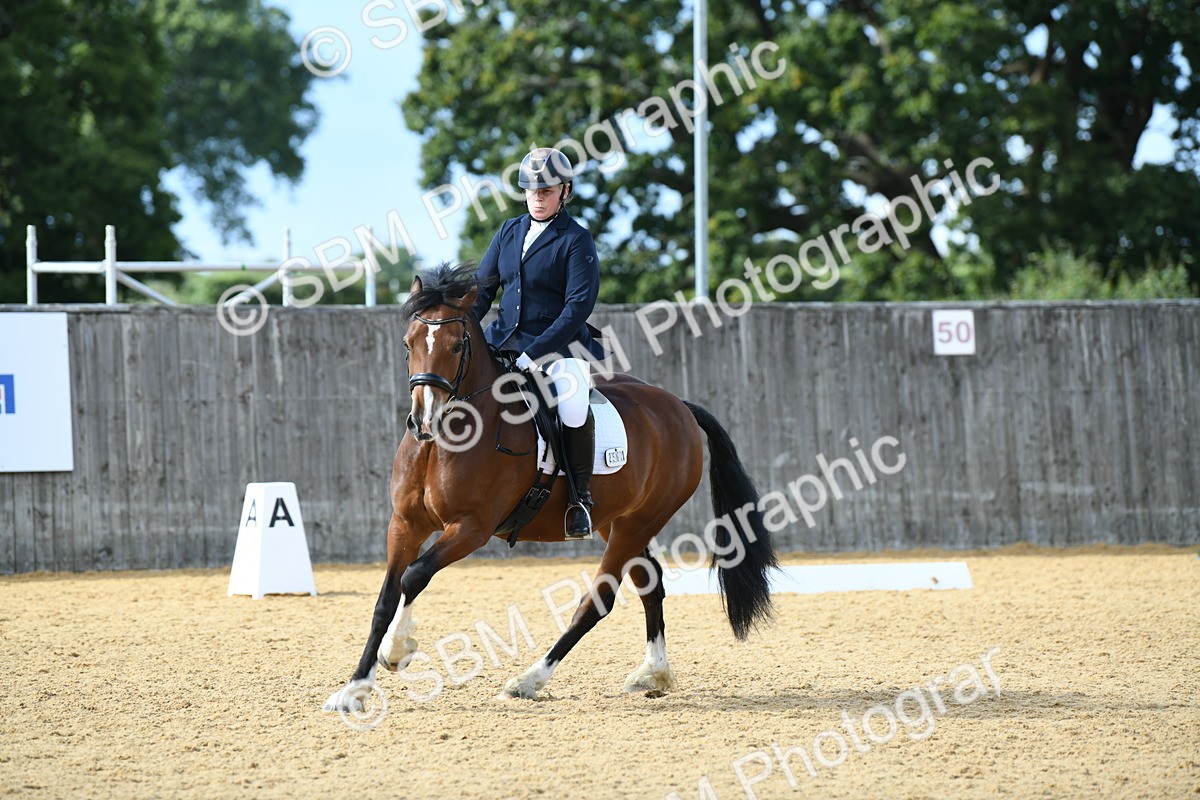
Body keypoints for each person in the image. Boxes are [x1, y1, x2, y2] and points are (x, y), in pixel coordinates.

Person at [470, 146, 605, 540]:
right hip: (502, 343)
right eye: (531, 191)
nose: (538, 198)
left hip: (559, 350)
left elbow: (577, 306)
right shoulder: (509, 231)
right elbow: (482, 292)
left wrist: (537, 353)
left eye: (546, 191)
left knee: (574, 407)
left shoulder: (576, 240)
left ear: (565, 191)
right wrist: (464, 331)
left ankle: (581, 499)